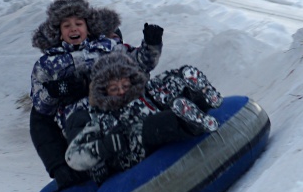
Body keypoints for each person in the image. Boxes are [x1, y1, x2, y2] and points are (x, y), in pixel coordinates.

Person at [29, 0, 163, 189]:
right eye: (66, 25)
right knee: (82, 123)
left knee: (140, 102)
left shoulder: (108, 47)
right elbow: (40, 105)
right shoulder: (48, 63)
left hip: (113, 104)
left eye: (78, 23)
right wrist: (59, 90)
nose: (73, 28)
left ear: (88, 27)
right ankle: (96, 165)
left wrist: (151, 45)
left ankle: (157, 133)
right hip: (78, 115)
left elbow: (139, 64)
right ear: (58, 32)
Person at [64, 53, 220, 184]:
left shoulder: (144, 91)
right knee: (154, 125)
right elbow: (72, 157)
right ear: (103, 91)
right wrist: (105, 145)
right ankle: (191, 123)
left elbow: (157, 87)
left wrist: (179, 77)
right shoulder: (99, 117)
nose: (121, 92)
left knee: (165, 87)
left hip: (160, 119)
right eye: (114, 89)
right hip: (133, 150)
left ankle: (200, 96)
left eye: (125, 85)